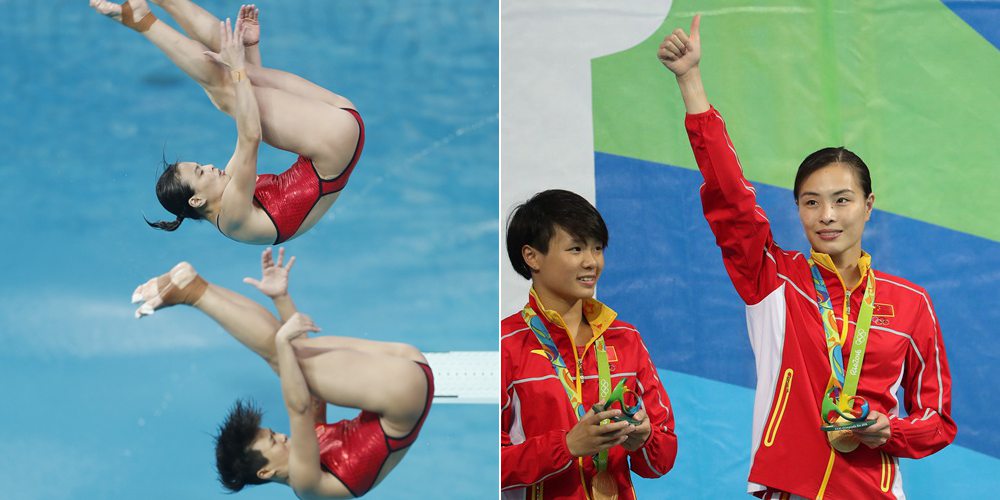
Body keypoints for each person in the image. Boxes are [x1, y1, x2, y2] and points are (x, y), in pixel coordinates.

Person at [658, 14, 955, 498]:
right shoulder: (774, 278)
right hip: (786, 488)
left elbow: (937, 419)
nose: (827, 215)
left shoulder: (910, 302)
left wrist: (889, 431)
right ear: (797, 209)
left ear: (868, 205)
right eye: (811, 202)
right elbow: (730, 198)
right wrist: (691, 82)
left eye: (842, 200)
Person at [132, 248, 432, 497]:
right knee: (285, 354)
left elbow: (308, 387)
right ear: (265, 472)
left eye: (275, 433)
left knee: (294, 354)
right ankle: (193, 292)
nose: (284, 437)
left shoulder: (307, 445)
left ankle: (197, 284)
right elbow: (298, 408)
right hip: (404, 394)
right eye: (274, 441)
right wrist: (281, 342)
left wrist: (280, 298)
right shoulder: (305, 484)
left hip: (406, 370)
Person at [91, 0, 365, 245]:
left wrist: (249, 51)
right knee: (226, 88)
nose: (210, 166)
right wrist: (238, 69)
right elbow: (250, 135)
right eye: (200, 172)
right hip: (334, 140)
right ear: (196, 200)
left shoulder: (227, 188)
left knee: (232, 77)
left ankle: (153, 11)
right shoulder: (232, 216)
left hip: (338, 127)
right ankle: (143, 21)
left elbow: (249, 114)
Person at [501, 189, 677, 499]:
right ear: (532, 257)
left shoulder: (625, 338)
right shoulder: (506, 344)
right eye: (576, 248)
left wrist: (643, 439)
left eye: (597, 248)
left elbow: (661, 461)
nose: (591, 262)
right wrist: (567, 446)